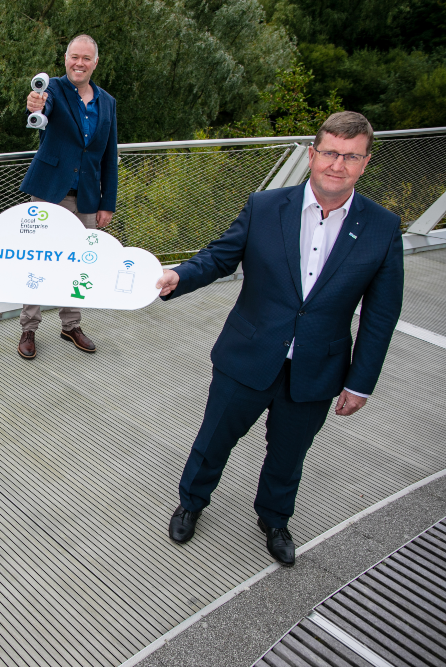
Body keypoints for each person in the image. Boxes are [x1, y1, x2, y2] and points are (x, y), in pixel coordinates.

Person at [156, 112, 404, 566]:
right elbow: (218, 258)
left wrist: (360, 381)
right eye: (330, 152)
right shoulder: (266, 206)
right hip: (247, 355)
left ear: (365, 163)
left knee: (289, 456)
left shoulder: (383, 227)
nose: (337, 164)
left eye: (350, 157)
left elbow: (381, 313)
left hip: (317, 368)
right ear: (312, 155)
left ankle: (273, 519)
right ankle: (191, 502)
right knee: (213, 440)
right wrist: (178, 275)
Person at [17, 34, 118, 360]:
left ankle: (70, 325)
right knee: (38, 259)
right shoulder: (54, 90)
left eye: (86, 58)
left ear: (95, 63)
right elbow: (41, 105)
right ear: (66, 58)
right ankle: (29, 328)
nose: (79, 63)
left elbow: (108, 155)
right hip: (50, 192)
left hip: (87, 197)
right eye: (74, 56)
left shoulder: (107, 103)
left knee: (79, 265)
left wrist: (107, 203)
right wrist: (35, 103)